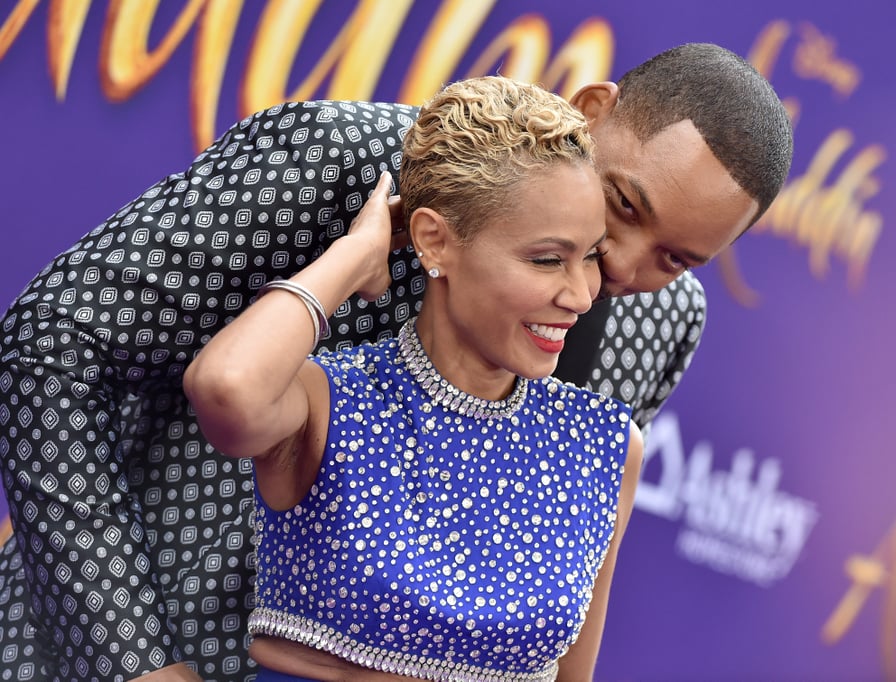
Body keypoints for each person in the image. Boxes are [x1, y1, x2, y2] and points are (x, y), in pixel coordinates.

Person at [0, 43, 792, 680]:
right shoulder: (341, 160)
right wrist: (135, 659)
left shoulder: (662, 322)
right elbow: (52, 344)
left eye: (676, 259)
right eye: (625, 205)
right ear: (592, 110)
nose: (617, 268)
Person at [182, 74, 642, 682]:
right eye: (546, 258)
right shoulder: (329, 400)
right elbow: (227, 388)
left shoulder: (604, 443)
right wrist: (357, 255)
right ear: (435, 241)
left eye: (589, 255)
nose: (581, 295)